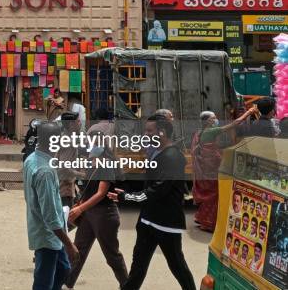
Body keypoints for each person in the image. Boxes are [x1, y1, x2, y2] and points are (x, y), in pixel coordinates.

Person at [109, 114, 196, 290]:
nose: (146, 134)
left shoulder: (172, 157)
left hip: (165, 223)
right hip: (148, 220)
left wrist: (128, 197)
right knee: (138, 267)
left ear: (162, 132)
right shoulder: (157, 152)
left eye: (150, 131)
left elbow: (157, 190)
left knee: (177, 265)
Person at [63, 145, 128, 289]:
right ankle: (67, 283)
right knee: (78, 249)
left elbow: (101, 194)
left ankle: (127, 285)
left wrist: (80, 208)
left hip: (105, 215)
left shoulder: (106, 167)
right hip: (89, 214)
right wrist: (79, 204)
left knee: (111, 255)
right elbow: (89, 191)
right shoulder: (93, 166)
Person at [24, 121, 79, 290]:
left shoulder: (32, 158)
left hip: (51, 233)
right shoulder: (45, 171)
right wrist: (69, 244)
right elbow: (49, 215)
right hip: (48, 234)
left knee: (63, 269)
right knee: (44, 282)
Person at [191, 108, 257, 231]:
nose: (216, 120)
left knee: (209, 194)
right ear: (207, 121)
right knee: (215, 194)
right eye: (213, 118)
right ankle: (209, 223)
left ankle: (202, 218)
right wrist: (249, 112)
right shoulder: (212, 131)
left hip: (205, 169)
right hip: (211, 169)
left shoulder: (200, 132)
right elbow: (234, 124)